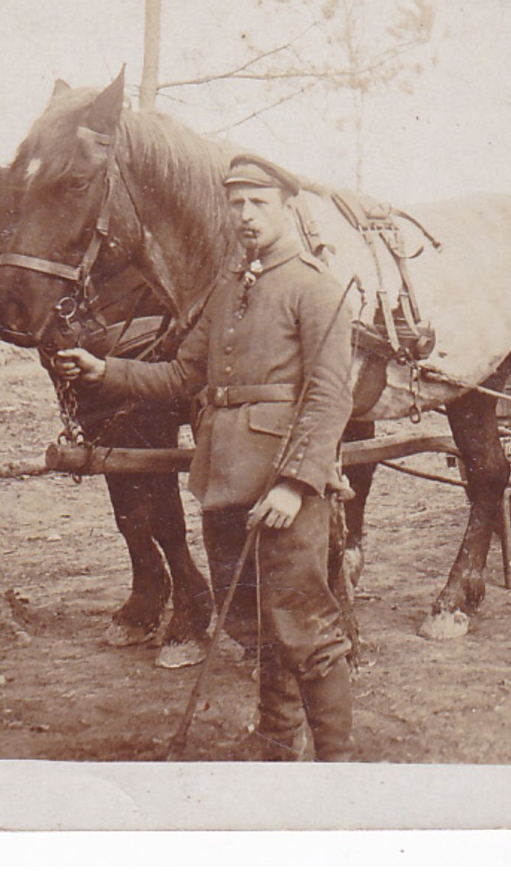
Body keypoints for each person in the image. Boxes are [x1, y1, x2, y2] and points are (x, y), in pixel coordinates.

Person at [55, 152, 358, 761]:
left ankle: (338, 762)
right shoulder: (229, 289)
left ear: (288, 208)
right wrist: (102, 370)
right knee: (253, 621)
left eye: (259, 204)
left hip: (281, 489)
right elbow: (179, 376)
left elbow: (329, 397)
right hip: (224, 482)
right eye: (236, 204)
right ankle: (275, 739)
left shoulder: (314, 288)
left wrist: (296, 484)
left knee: (304, 624)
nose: (245, 216)